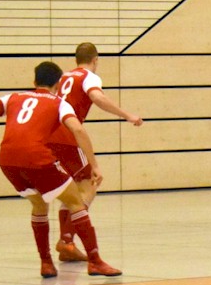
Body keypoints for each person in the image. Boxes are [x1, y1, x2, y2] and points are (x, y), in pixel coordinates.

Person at [0, 61, 121, 277]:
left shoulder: (13, 97)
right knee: (75, 202)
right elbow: (78, 130)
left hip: (8, 161)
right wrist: (94, 165)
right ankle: (95, 261)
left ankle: (46, 263)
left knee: (38, 205)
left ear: (34, 81)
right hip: (37, 158)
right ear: (57, 84)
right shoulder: (58, 103)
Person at [49, 42, 143, 262]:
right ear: (95, 59)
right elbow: (98, 98)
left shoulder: (63, 77)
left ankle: (67, 242)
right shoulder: (89, 77)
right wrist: (127, 115)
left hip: (50, 135)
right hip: (68, 135)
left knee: (71, 191)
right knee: (90, 183)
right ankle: (67, 240)